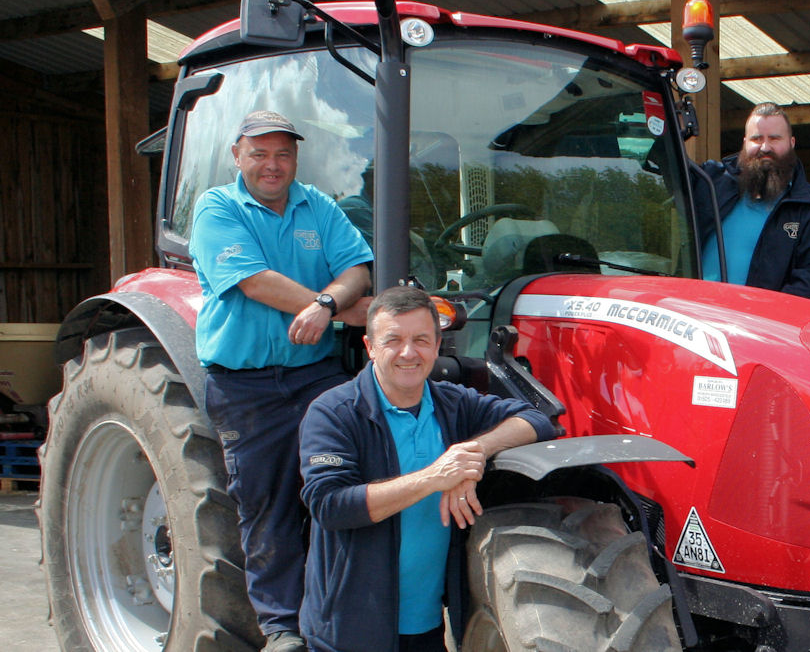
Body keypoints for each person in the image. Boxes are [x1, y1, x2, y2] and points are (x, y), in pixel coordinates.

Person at [190, 110, 374, 652]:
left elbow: (357, 271)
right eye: (260, 154)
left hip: (316, 374)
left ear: (295, 158)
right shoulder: (218, 208)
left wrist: (327, 302)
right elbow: (252, 281)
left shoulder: (318, 205)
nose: (272, 165)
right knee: (267, 502)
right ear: (237, 156)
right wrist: (338, 312)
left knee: (334, 489)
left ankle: (337, 612)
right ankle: (281, 628)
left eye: (283, 154)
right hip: (247, 386)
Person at [299, 286, 558, 652]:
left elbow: (538, 418)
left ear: (437, 346)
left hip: (428, 629)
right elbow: (330, 505)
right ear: (370, 348)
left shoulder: (451, 402)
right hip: (351, 630)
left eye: (421, 340)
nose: (409, 353)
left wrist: (473, 452)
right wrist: (434, 477)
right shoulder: (333, 413)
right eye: (393, 340)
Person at [694, 102, 810, 303]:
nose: (765, 147)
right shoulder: (712, 183)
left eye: (774, 138)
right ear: (745, 142)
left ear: (791, 142)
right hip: (693, 317)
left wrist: (756, 315)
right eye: (757, 139)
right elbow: (665, 168)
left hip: (755, 327)